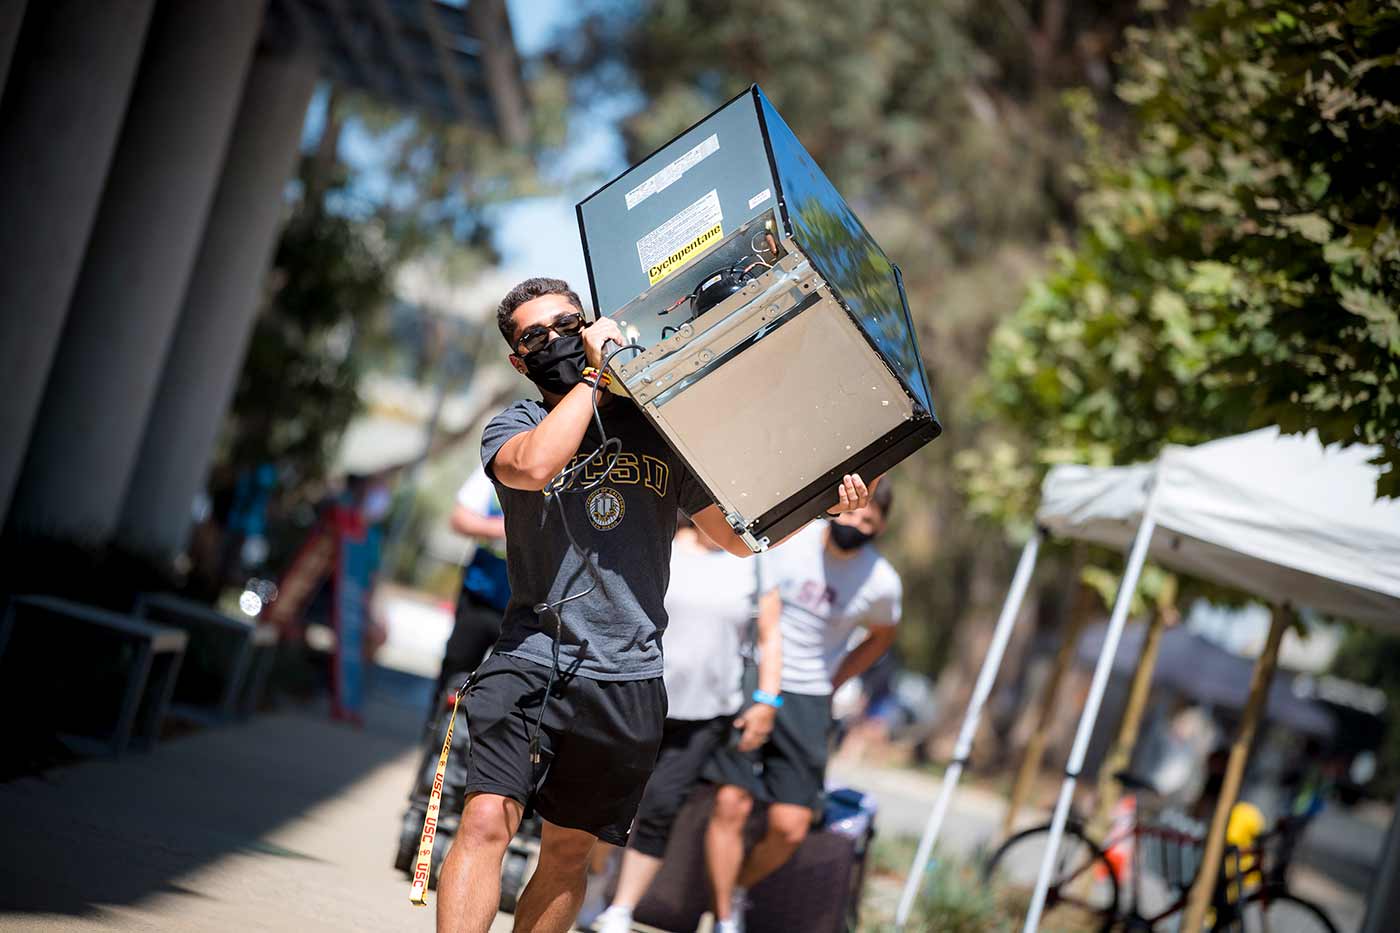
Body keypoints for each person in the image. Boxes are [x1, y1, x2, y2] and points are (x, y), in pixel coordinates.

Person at [434, 277, 871, 933]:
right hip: (530, 658)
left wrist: (819, 503)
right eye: (535, 336)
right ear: (518, 361)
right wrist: (594, 376)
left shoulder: (659, 429)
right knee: (485, 818)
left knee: (570, 849)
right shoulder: (515, 424)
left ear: (590, 323)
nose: (554, 339)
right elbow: (533, 468)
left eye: (566, 323)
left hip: (627, 678)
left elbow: (733, 537)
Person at [703, 482, 901, 933]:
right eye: (852, 514)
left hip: (811, 696)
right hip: (753, 679)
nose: (855, 524)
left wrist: (836, 681)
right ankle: (724, 918)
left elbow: (882, 636)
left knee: (791, 825)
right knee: (730, 802)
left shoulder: (883, 582)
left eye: (867, 521)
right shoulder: (795, 537)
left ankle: (734, 887)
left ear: (881, 526)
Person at [592, 517, 783, 933]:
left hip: (706, 713)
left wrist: (767, 700)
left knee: (661, 806)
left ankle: (620, 909)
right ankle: (594, 885)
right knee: (609, 800)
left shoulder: (755, 563)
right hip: (637, 696)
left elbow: (770, 636)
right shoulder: (661, 542)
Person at [433, 464, 510, 720]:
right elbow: (459, 518)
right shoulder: (501, 462)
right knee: (455, 674)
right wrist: (505, 528)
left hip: (530, 609)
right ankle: (438, 745)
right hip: (481, 597)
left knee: (506, 693)